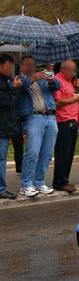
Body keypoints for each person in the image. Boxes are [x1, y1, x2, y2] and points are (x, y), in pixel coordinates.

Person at [17, 55, 60, 197]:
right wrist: (32, 78)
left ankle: (40, 181)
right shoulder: (18, 80)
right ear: (22, 66)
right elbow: (17, 89)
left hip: (50, 115)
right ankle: (26, 184)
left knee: (47, 152)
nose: (31, 67)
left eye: (33, 65)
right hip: (33, 117)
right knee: (33, 151)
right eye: (28, 65)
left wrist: (52, 80)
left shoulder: (41, 78)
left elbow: (56, 87)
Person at [53, 60, 79, 193]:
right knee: (63, 152)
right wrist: (72, 99)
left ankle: (65, 179)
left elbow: (69, 94)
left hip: (72, 119)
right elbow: (57, 102)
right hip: (63, 120)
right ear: (64, 69)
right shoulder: (57, 80)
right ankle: (60, 181)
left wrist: (75, 88)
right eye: (71, 70)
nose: (73, 73)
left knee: (69, 152)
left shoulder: (69, 81)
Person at [0, 54, 23, 199]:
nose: (11, 70)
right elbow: (7, 104)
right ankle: (1, 189)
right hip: (1, 127)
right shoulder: (2, 84)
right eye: (9, 67)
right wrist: (14, 89)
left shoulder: (4, 82)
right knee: (1, 158)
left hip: (4, 125)